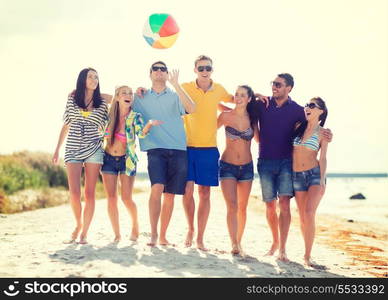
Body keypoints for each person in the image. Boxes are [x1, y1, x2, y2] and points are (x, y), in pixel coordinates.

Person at [253, 73, 332, 261]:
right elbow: (240, 99)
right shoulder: (264, 105)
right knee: (275, 208)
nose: (274, 87)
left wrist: (321, 178)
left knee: (296, 209)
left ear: (289, 88)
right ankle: (277, 243)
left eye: (279, 84)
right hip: (274, 165)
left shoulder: (300, 113)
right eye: (273, 83)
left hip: (295, 168)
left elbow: (321, 149)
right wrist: (256, 94)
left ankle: (295, 253)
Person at [133, 61, 195, 246]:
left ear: (166, 73)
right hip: (155, 148)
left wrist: (176, 84)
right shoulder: (140, 97)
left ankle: (163, 236)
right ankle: (153, 233)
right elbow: (118, 99)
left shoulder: (176, 96)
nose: (159, 71)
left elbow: (192, 109)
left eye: (163, 69)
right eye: (156, 69)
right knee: (157, 187)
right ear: (150, 73)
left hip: (178, 149)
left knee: (169, 195)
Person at [180, 55, 233, 251]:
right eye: (201, 67)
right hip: (186, 147)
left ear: (212, 70)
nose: (204, 71)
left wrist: (259, 97)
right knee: (186, 191)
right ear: (195, 69)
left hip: (209, 148)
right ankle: (191, 229)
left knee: (204, 193)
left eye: (208, 68)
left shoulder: (218, 89)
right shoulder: (184, 86)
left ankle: (200, 237)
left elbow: (236, 100)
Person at [53, 67, 108, 244]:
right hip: (73, 149)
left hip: (93, 148)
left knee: (89, 193)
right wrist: (56, 149)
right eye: (90, 77)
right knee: (75, 193)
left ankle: (84, 232)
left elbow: (118, 97)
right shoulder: (71, 99)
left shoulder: (102, 103)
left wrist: (99, 94)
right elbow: (66, 125)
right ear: (82, 79)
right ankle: (78, 224)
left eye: (96, 77)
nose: (94, 80)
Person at [101, 85, 161, 243]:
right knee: (111, 198)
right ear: (118, 97)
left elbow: (141, 133)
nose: (128, 95)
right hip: (107, 159)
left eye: (130, 93)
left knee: (126, 198)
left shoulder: (135, 116)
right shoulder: (109, 115)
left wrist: (149, 124)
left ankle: (135, 225)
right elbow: (98, 98)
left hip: (127, 161)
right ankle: (117, 234)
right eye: (124, 93)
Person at [217, 85, 258, 255]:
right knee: (232, 206)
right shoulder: (225, 116)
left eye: (242, 95)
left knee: (242, 207)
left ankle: (239, 242)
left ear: (249, 98)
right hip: (227, 166)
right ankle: (234, 243)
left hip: (247, 168)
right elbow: (206, 132)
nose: (238, 98)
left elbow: (261, 140)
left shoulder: (253, 119)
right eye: (236, 95)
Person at [292, 97, 328, 268]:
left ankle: (307, 256)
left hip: (314, 175)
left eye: (312, 105)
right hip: (297, 175)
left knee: (309, 213)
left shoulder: (323, 133)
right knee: (302, 217)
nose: (307, 107)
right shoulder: (298, 127)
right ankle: (306, 252)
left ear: (321, 111)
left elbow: (323, 157)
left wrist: (322, 179)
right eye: (307, 105)